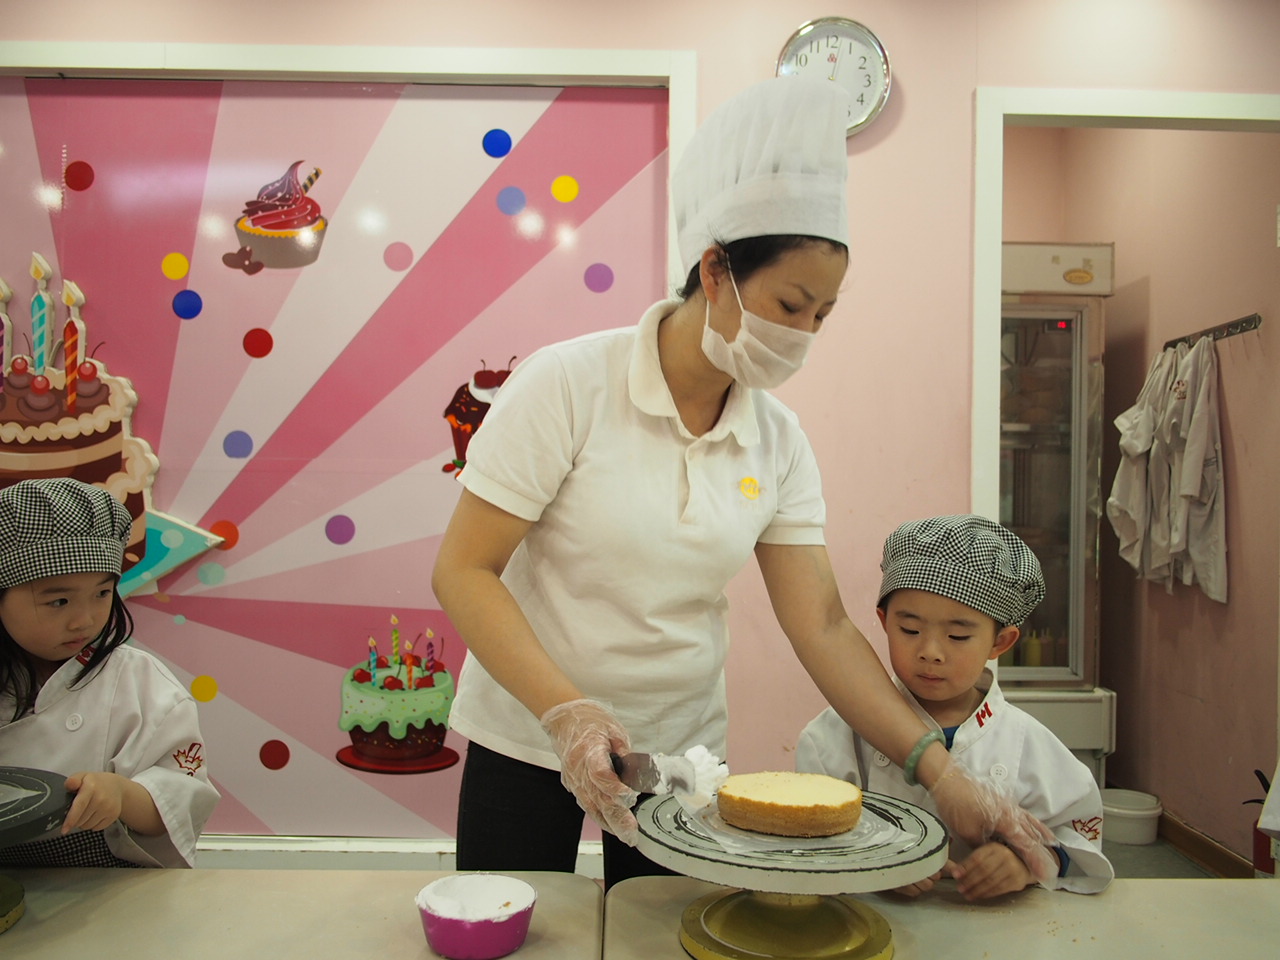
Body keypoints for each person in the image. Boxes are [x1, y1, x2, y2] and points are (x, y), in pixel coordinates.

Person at [432, 77, 1056, 890]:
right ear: (715, 270)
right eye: (790, 304)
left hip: (677, 754)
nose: (802, 335)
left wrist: (939, 771)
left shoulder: (777, 440)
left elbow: (823, 625)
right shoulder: (568, 386)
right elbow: (464, 570)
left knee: (664, 937)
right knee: (511, 923)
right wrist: (567, 711)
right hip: (527, 728)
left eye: (822, 316)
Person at [798, 514, 1114, 898]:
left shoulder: (1027, 742)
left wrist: (1026, 864)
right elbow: (807, 836)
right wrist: (869, 859)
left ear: (1000, 642)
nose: (930, 652)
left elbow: (1077, 839)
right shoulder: (834, 736)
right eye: (910, 630)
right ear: (884, 621)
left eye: (958, 636)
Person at [0, 478, 218, 867]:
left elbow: (178, 802)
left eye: (102, 594)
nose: (84, 620)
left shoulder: (138, 682)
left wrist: (120, 794)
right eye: (59, 601)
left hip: (102, 882)